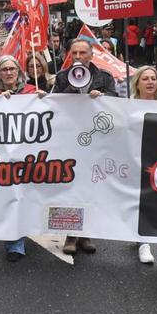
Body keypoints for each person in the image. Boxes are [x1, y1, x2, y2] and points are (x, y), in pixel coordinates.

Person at [52, 39, 116, 255]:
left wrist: (103, 98)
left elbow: (117, 103)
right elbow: (54, 104)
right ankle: (71, 233)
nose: (78, 57)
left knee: (90, 187)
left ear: (91, 55)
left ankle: (85, 232)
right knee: (70, 186)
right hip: (69, 140)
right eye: (75, 53)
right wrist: (72, 86)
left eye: (82, 53)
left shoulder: (104, 78)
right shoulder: (62, 77)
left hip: (95, 140)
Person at [0, 55, 45, 262]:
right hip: (2, 156)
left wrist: (45, 99)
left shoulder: (32, 91)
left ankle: (22, 235)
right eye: (3, 70)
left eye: (12, 69)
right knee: (9, 197)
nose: (8, 73)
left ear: (19, 72)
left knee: (26, 196)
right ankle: (14, 242)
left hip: (29, 154)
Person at [128, 66, 157, 264]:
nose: (151, 82)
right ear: (137, 82)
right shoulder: (127, 105)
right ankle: (141, 240)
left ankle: (144, 241)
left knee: (151, 201)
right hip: (134, 160)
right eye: (145, 78)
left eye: (153, 78)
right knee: (137, 201)